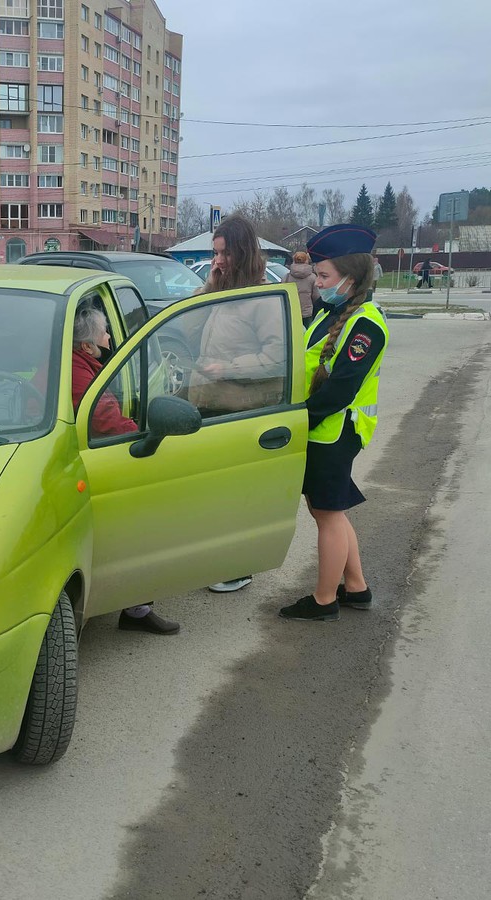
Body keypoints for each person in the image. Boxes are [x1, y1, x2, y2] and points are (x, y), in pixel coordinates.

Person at [279, 224, 389, 622]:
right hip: (324, 431)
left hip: (335, 431)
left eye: (324, 276)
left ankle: (324, 600)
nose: (318, 283)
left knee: (327, 516)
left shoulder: (366, 324)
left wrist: (296, 418)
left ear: (351, 277)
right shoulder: (333, 313)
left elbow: (341, 390)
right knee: (332, 513)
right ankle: (356, 587)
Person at [70, 304, 180, 635]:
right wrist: (143, 434)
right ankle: (133, 608)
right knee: (138, 528)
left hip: (88, 460)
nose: (110, 338)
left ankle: (135, 606)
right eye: (105, 333)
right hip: (93, 464)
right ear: (88, 345)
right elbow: (106, 420)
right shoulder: (79, 372)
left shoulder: (80, 363)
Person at [192, 214, 282, 595]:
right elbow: (186, 326)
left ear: (242, 251)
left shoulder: (260, 298)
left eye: (224, 253)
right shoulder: (223, 291)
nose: (218, 260)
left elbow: (278, 356)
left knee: (233, 493)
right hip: (210, 401)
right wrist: (210, 285)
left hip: (239, 408)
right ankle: (214, 557)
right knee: (211, 492)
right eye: (214, 253)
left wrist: (227, 367)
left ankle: (238, 567)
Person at [283, 250, 319, 325]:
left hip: (291, 311)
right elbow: (316, 296)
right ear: (307, 260)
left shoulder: (287, 277)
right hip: (307, 312)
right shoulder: (312, 277)